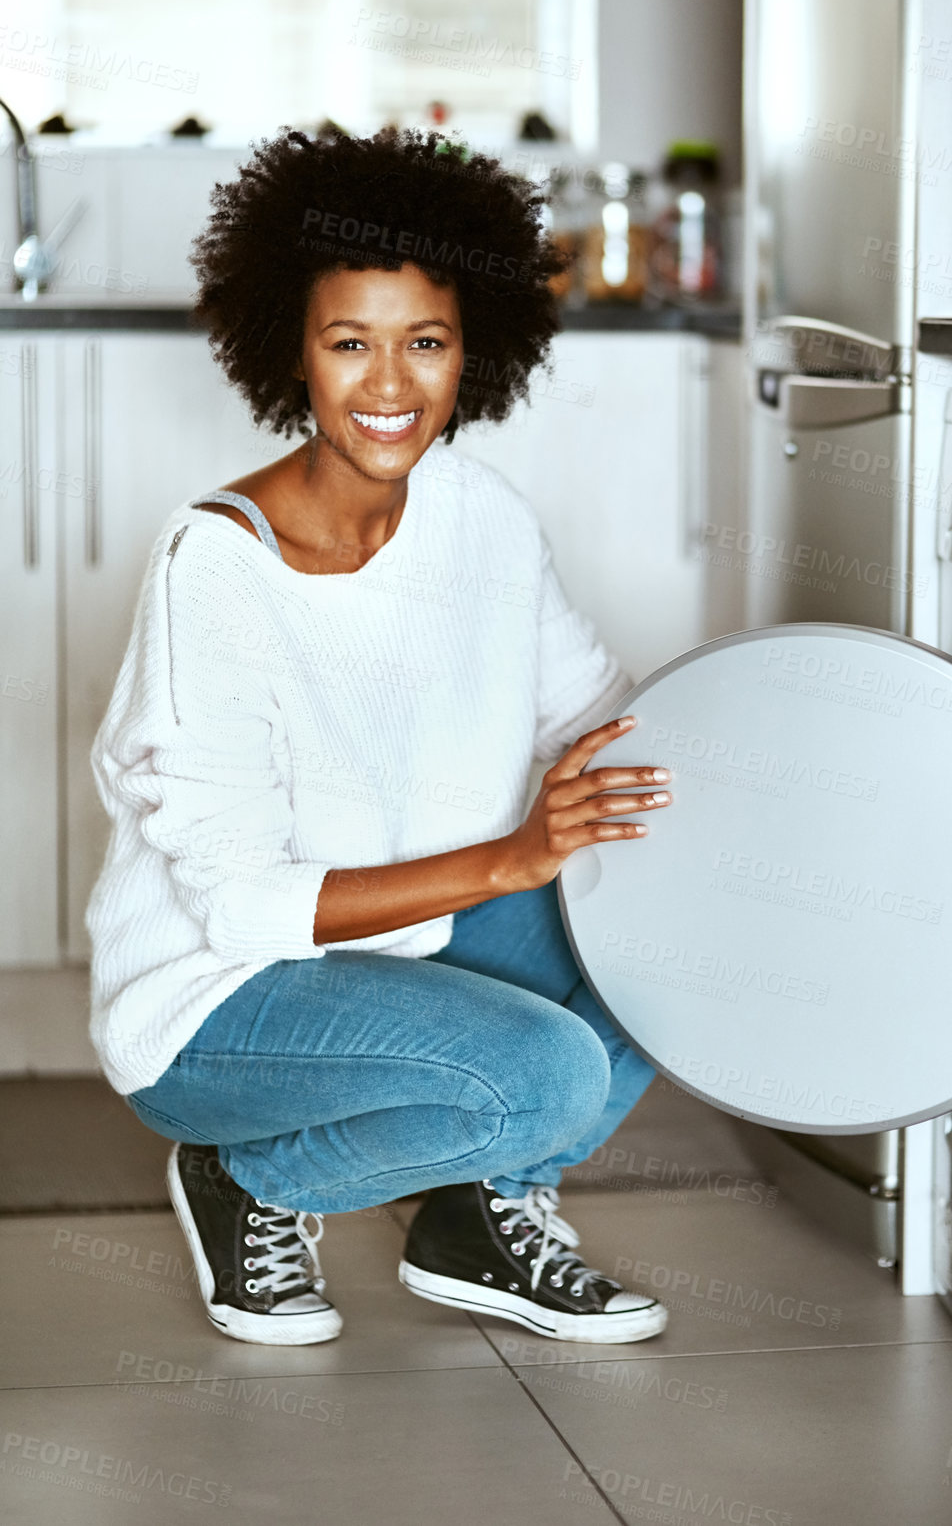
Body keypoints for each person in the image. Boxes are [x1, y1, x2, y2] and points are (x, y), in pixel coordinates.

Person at [86, 127, 673, 1350]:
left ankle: (477, 1214)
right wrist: (512, 861)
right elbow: (246, 910)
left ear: (476, 354)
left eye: (427, 342)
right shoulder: (217, 571)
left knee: (673, 954)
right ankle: (247, 1178)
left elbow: (601, 716)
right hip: (220, 1000)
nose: (390, 385)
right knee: (549, 1074)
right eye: (350, 343)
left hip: (418, 939)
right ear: (292, 353)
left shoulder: (480, 516)